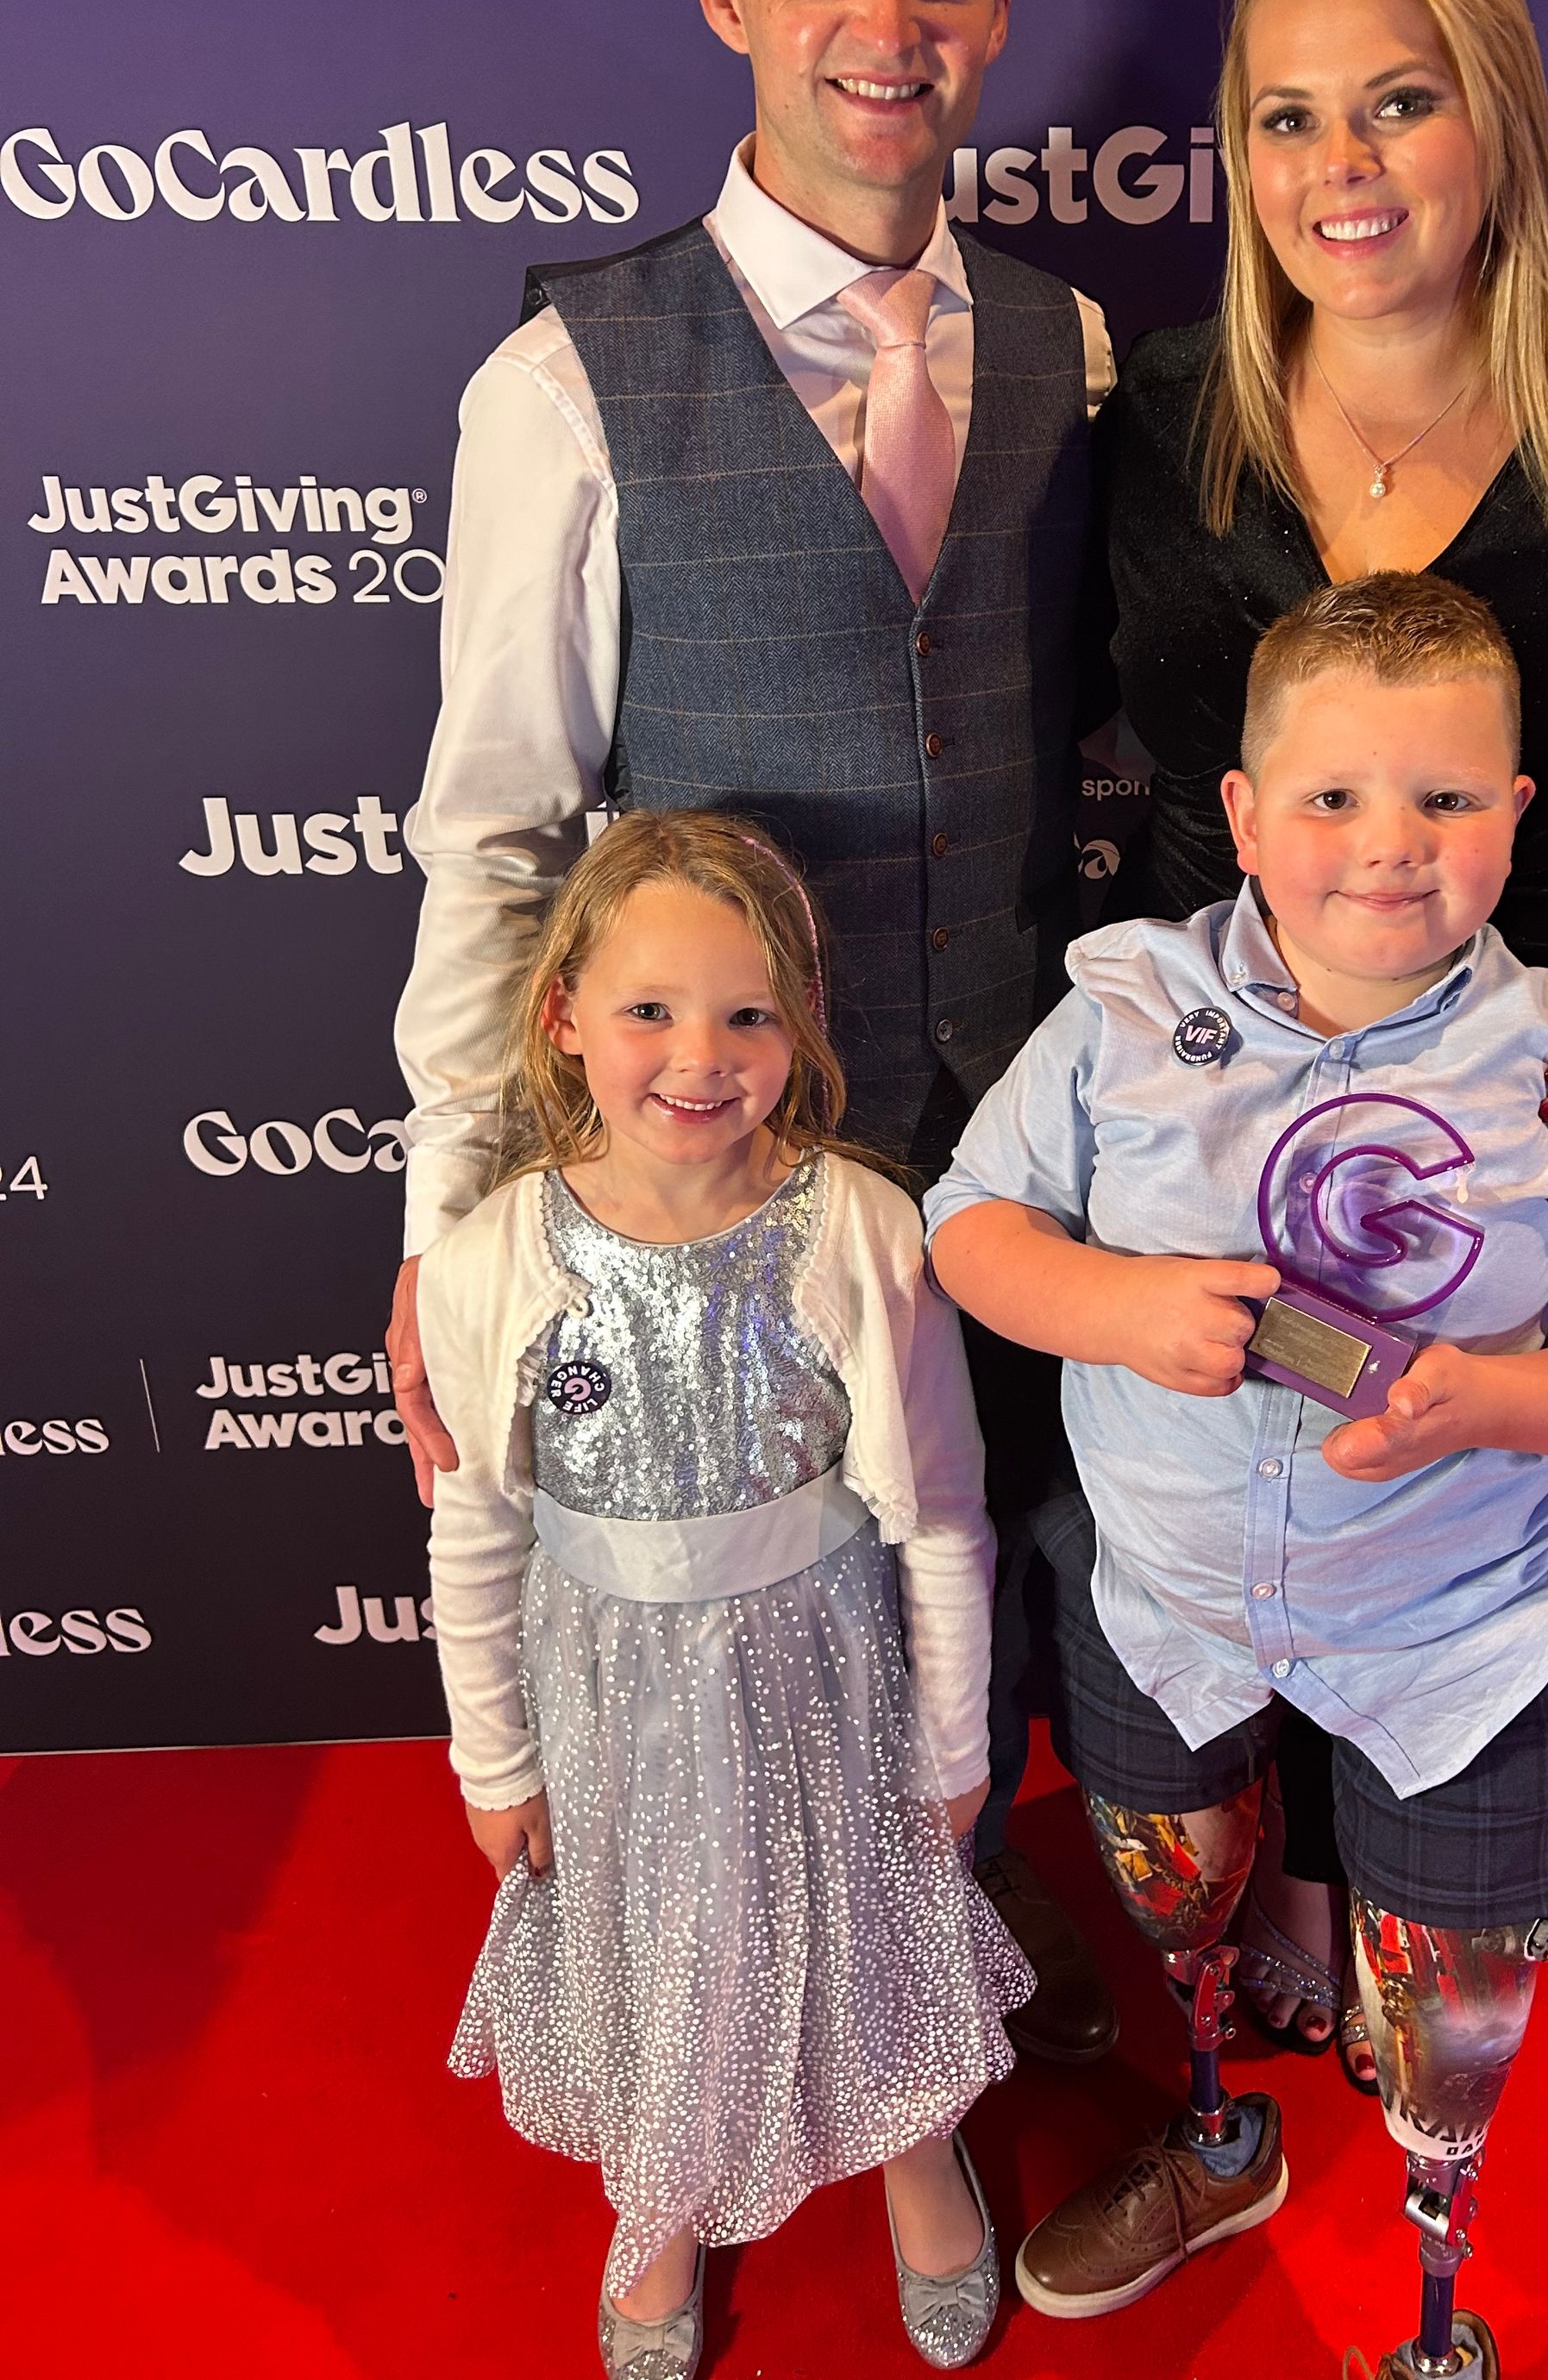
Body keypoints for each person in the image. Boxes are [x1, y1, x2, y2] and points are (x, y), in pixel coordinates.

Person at [388, 0, 1117, 2058]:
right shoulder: (564, 381)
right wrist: (454, 1228)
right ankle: (728, 2031)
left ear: (994, 6)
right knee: (727, 1646)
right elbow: (501, 838)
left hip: (1016, 1148)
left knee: (966, 1596)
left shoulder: (1074, 346)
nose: (877, 21)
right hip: (710, 1177)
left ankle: (948, 2012)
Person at [925, 573, 1548, 2370]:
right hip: (1169, 1608)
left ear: (1521, 814)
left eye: (1447, 798)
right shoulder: (1120, 1019)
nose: (1389, 848)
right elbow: (968, 1220)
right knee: (1180, 1916)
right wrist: (1119, 1303)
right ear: (1233, 811)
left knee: (1447, 2044)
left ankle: (1438, 2315)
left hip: (1468, 1642)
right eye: (1330, 798)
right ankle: (1218, 2124)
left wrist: (1485, 1401)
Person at [1098, 0, 1548, 2075]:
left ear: (1495, 118)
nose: (1339, 168)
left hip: (1489, 1136)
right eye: (1285, 117)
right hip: (1197, 1112)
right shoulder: (1159, 414)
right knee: (1208, 1524)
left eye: (1397, 103)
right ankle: (1252, 1914)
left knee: (1430, 1520)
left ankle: (1413, 1904)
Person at [423, 809, 1028, 2374]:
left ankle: (914, 2150)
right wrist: (493, 1756)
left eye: (749, 1012)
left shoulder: (862, 1229)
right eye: (649, 1010)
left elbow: (944, 1516)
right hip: (610, 1700)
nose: (700, 1054)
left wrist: (955, 1743)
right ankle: (665, 2198)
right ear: (565, 1015)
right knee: (658, 1945)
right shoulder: (498, 1255)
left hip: (822, 1674)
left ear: (802, 1026)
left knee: (865, 1929)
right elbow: (477, 1525)